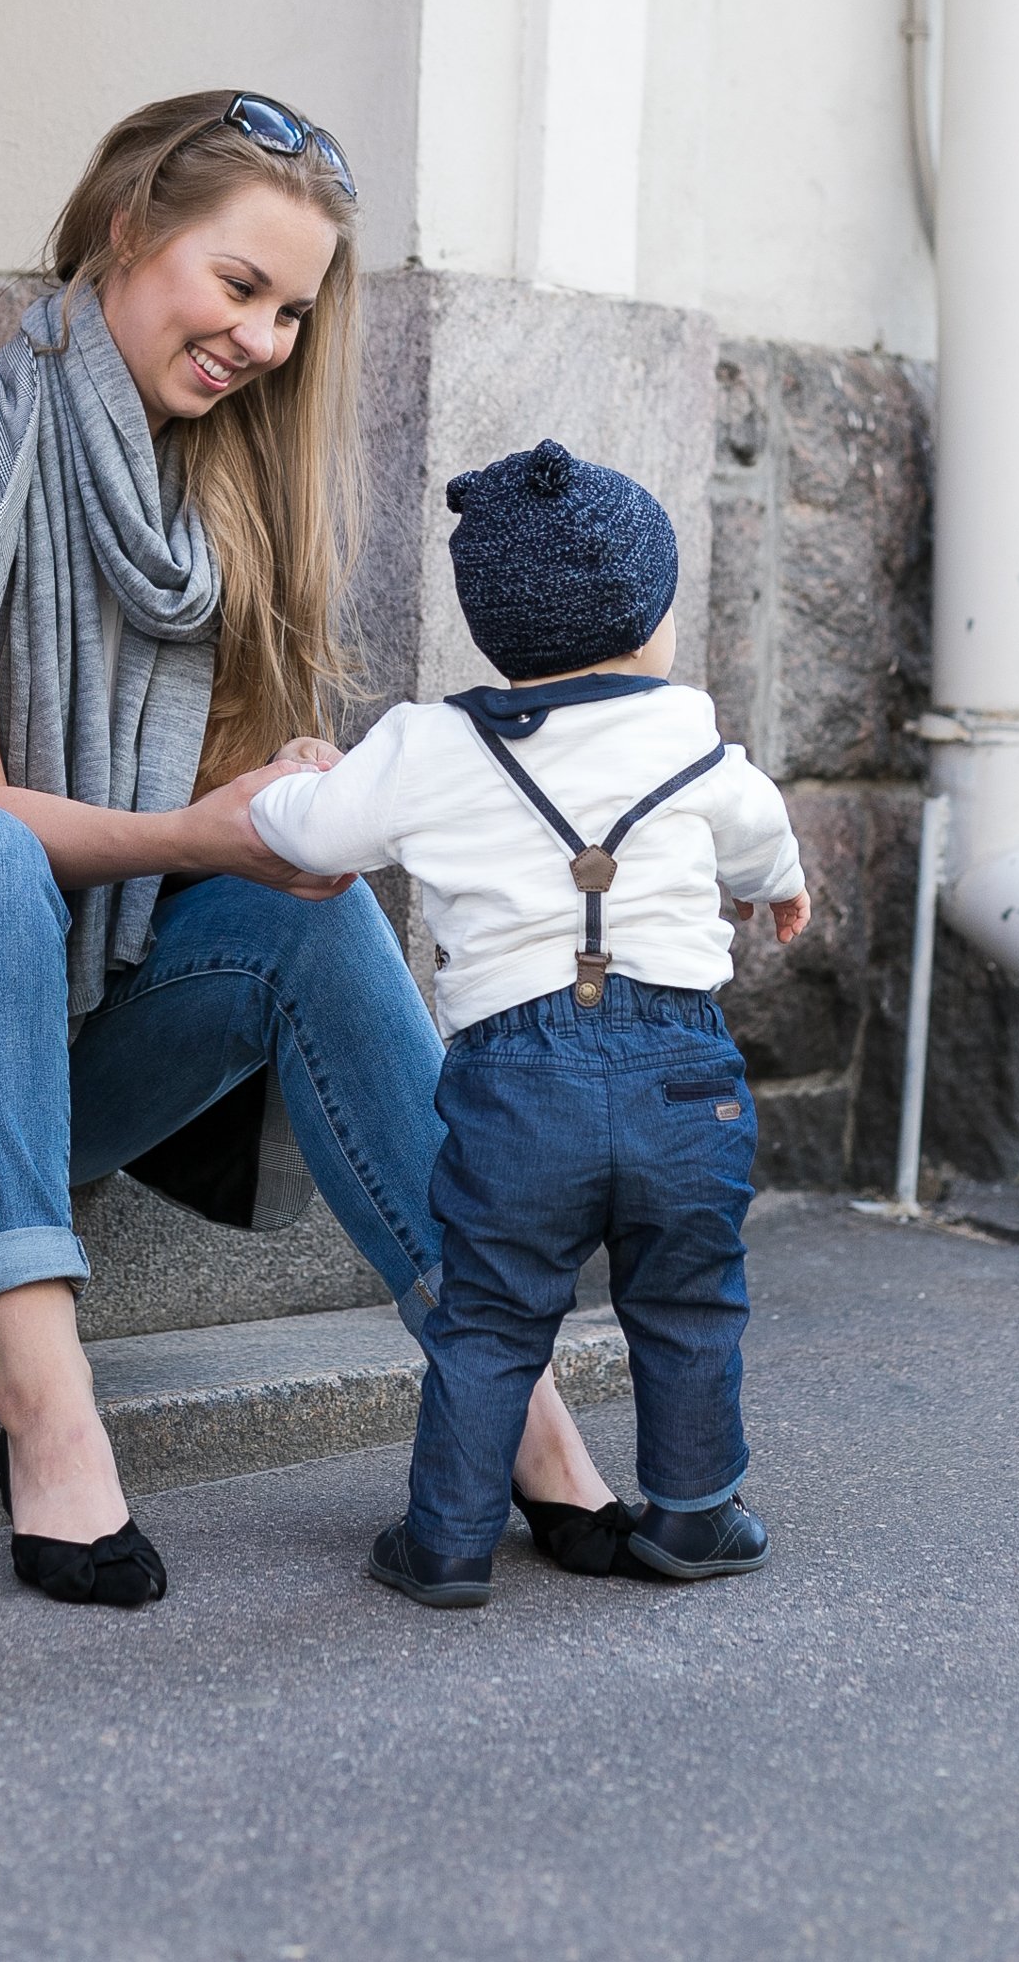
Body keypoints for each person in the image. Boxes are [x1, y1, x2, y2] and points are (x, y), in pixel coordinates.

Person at [0, 94, 621, 1608]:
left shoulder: (216, 519)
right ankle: (47, 1415)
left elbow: (212, 851)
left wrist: (284, 805)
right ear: (127, 231)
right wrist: (191, 831)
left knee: (315, 909)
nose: (266, 341)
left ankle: (516, 1399)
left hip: (78, 1058)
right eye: (240, 286)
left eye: (293, 312)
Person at [248, 438, 812, 1610]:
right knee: (690, 1295)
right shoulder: (692, 737)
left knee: (491, 1314)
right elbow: (758, 833)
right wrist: (779, 887)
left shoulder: (427, 744)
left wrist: (293, 777)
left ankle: (448, 1543)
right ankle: (697, 1516)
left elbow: (311, 839)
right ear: (650, 622)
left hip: (517, 1082)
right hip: (680, 1069)